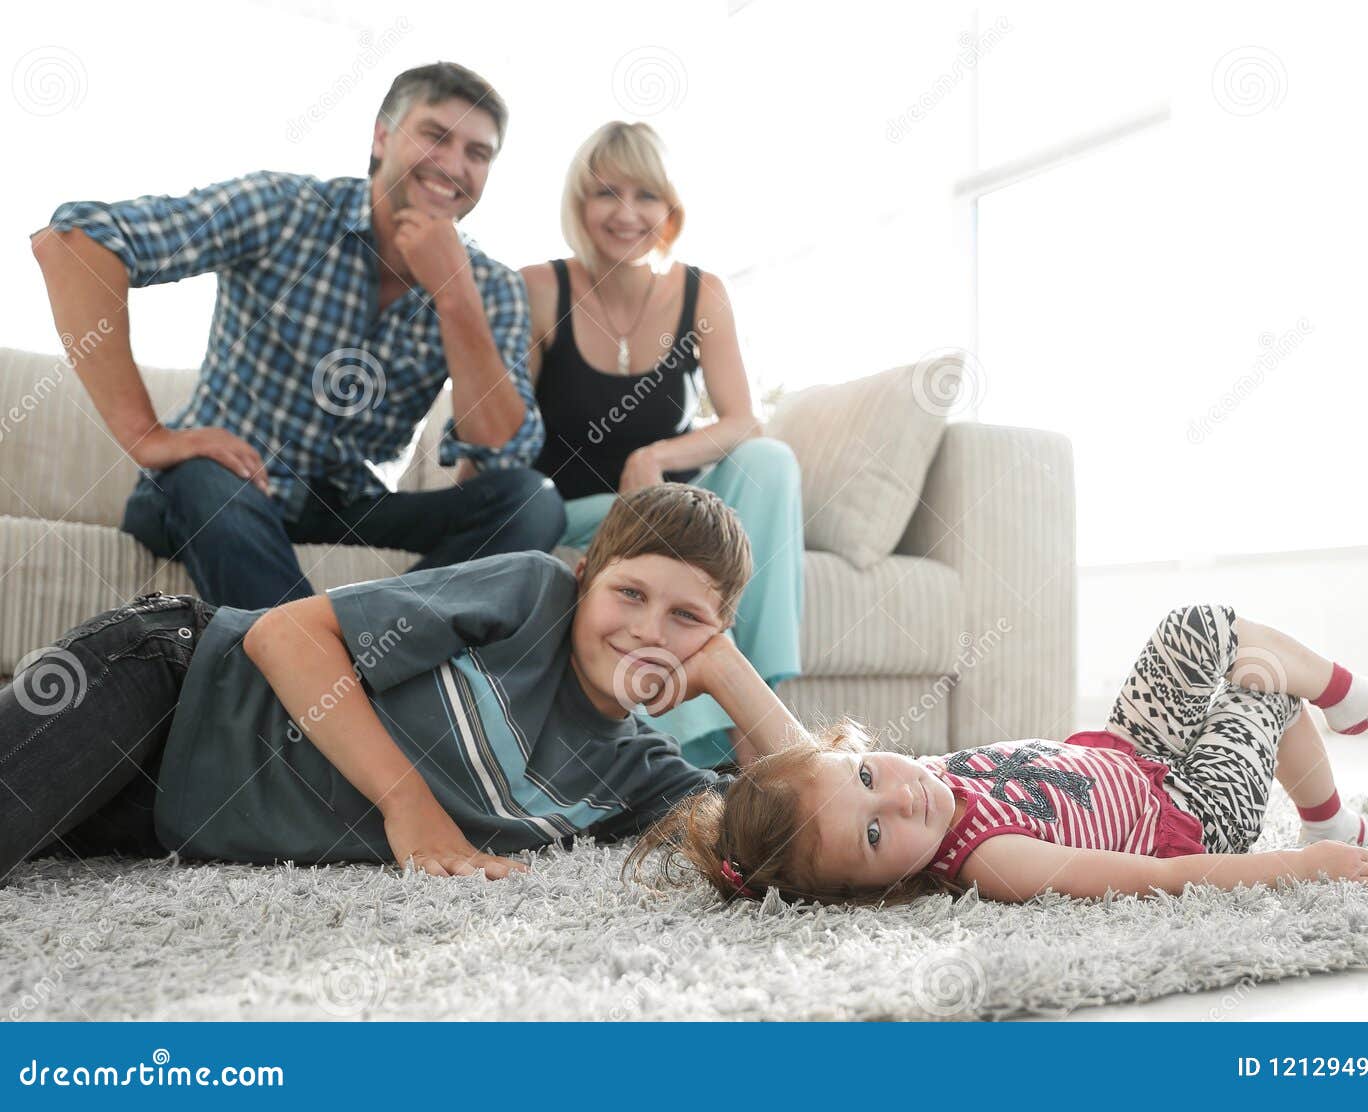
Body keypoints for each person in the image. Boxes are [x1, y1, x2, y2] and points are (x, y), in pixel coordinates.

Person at [0, 485, 804, 886]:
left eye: (688, 619)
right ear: (585, 576)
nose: (648, 632)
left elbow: (802, 818)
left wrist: (733, 675)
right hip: (168, 687)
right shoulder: (530, 594)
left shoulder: (639, 777)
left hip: (162, 818)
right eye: (629, 595)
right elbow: (283, 632)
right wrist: (409, 805)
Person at [29, 62, 563, 611]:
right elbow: (74, 243)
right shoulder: (286, 211)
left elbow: (503, 449)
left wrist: (454, 296)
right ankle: (329, 669)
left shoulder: (490, 287)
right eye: (435, 136)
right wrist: (148, 437)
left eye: (478, 153)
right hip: (225, 483)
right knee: (206, 483)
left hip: (351, 506)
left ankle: (367, 640)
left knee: (533, 503)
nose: (454, 166)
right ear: (382, 135)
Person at [629, 604, 1368, 905]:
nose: (900, 800)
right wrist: (1298, 864)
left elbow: (801, 769)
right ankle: (1333, 813)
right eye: (874, 836)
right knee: (1265, 688)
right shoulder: (992, 859)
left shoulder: (858, 786)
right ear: (876, 891)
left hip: (1124, 752)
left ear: (855, 753)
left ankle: (1347, 695)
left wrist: (720, 666)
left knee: (1200, 626)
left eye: (871, 776)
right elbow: (1161, 881)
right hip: (1191, 818)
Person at [519, 121, 803, 771]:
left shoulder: (701, 291)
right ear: (578, 204)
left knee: (769, 461)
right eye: (606, 193)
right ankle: (704, 753)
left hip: (664, 500)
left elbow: (742, 420)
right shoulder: (540, 287)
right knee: (669, 539)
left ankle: (760, 712)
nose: (626, 213)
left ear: (668, 209)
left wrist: (653, 461)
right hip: (578, 509)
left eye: (645, 195)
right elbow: (505, 430)